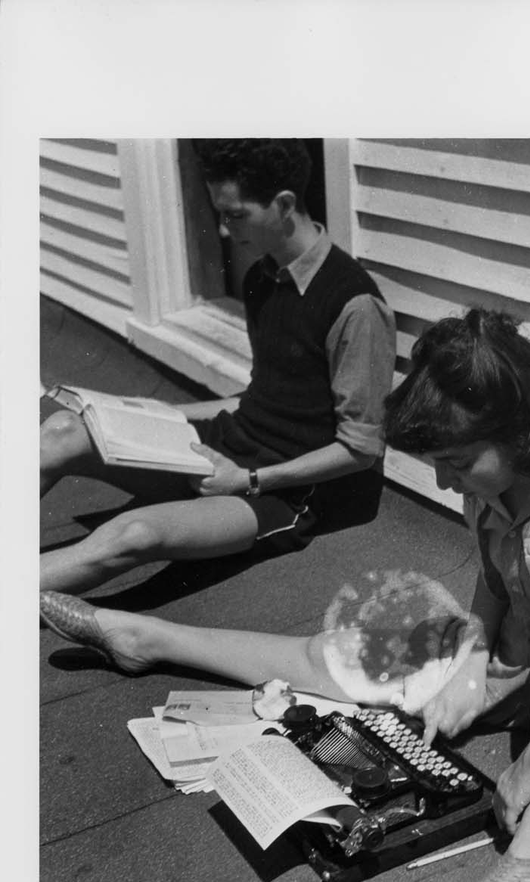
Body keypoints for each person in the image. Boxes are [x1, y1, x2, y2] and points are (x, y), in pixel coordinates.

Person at [39, 308, 530, 882]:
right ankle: (147, 638)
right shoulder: (496, 478)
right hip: (529, 667)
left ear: (520, 427)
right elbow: (495, 591)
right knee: (337, 658)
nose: (445, 484)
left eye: (458, 464)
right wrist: (468, 670)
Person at [40, 138, 396, 594]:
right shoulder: (261, 279)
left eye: (235, 214)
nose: (225, 231)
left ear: (284, 204)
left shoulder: (355, 304)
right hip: (230, 447)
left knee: (132, 534)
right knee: (64, 430)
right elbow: (262, 396)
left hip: (288, 490)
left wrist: (247, 480)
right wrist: (120, 409)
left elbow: (361, 449)